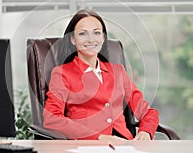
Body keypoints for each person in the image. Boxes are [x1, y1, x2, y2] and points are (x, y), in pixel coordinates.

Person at [43, 9, 159, 140]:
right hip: (88, 146)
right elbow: (51, 118)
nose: (91, 39)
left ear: (103, 38)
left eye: (96, 33)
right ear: (73, 39)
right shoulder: (62, 73)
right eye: (82, 34)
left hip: (124, 145)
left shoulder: (118, 72)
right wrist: (99, 137)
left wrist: (145, 132)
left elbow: (147, 112)